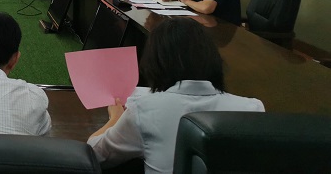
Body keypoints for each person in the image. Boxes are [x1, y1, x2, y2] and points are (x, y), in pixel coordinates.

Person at [87, 18, 264, 173]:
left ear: (156, 62)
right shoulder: (252, 110)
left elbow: (93, 154)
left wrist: (115, 119)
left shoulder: (144, 110)